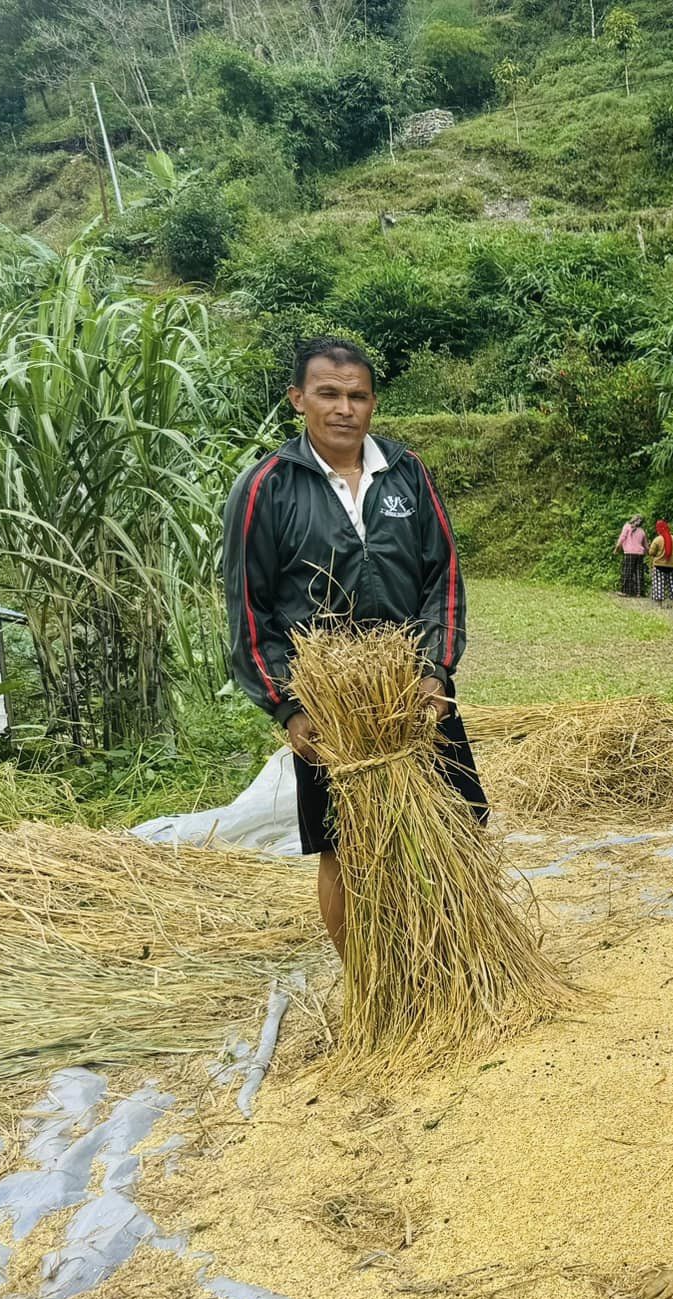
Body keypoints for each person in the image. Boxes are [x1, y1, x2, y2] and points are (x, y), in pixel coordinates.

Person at [222, 337, 486, 954]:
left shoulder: (406, 472)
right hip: (331, 704)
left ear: (372, 403)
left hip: (410, 691)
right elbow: (248, 611)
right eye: (329, 394)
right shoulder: (268, 485)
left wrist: (436, 673)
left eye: (358, 395)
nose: (345, 408)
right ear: (298, 399)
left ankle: (460, 958)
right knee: (344, 850)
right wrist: (291, 707)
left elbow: (442, 576)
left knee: (462, 825)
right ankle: (371, 983)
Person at [649, 518, 673, 606]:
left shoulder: (657, 539)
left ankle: (660, 604)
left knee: (659, 584)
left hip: (659, 565)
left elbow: (651, 553)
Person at [616, 515, 649, 597]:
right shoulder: (642, 531)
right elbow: (646, 545)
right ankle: (639, 592)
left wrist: (617, 548)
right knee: (639, 573)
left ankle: (626, 591)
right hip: (640, 554)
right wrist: (648, 552)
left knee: (627, 572)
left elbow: (622, 538)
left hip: (629, 553)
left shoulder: (627, 526)